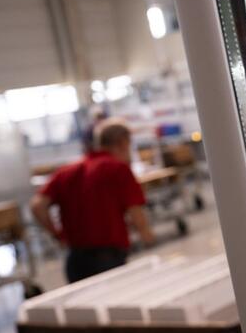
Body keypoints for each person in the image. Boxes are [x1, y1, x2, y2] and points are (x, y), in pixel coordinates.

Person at [31, 119, 156, 283]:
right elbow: (136, 214)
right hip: (108, 259)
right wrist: (149, 240)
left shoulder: (67, 171)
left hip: (75, 260)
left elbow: (37, 206)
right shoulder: (118, 169)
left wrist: (57, 235)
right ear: (122, 143)